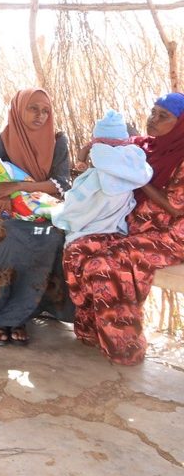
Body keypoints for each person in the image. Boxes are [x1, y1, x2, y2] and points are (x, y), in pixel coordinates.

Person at [63, 93, 184, 365]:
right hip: (134, 228)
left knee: (104, 265)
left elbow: (176, 207)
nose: (153, 120)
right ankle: (92, 332)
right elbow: (108, 145)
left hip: (171, 236)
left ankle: (125, 347)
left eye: (163, 117)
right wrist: (86, 151)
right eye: (153, 112)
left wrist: (137, 179)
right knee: (78, 250)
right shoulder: (145, 147)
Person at [0, 88, 74, 343]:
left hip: (41, 210)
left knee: (52, 236)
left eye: (46, 110)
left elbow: (62, 185)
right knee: (6, 236)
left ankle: (27, 311)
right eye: (33, 108)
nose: (41, 115)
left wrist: (18, 187)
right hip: (0, 210)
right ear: (18, 109)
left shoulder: (57, 142)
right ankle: (0, 317)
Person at [51, 110, 152, 244]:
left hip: (93, 223)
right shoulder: (132, 165)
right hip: (116, 224)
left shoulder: (98, 172)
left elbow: (79, 206)